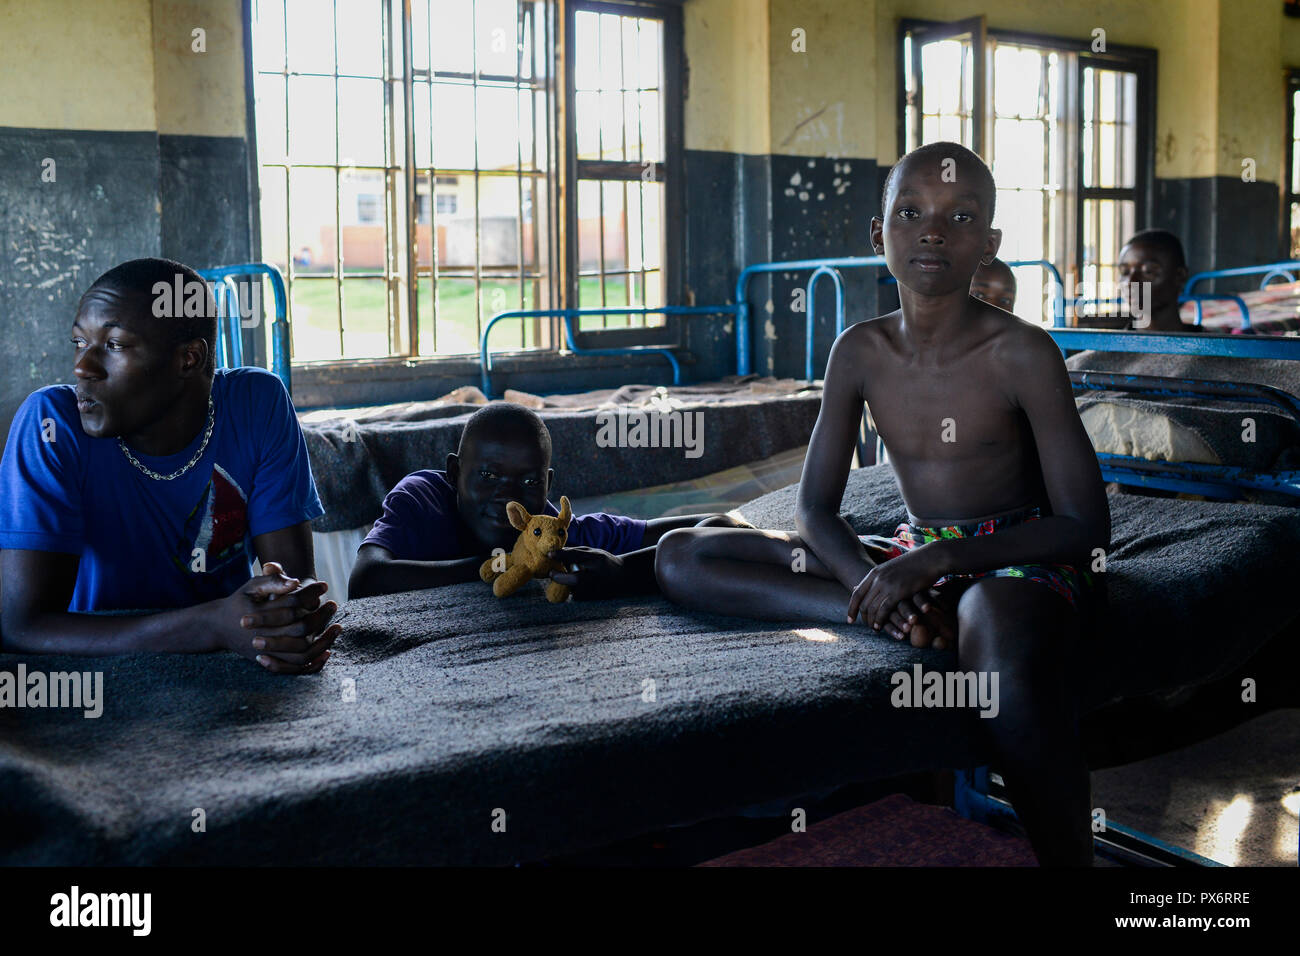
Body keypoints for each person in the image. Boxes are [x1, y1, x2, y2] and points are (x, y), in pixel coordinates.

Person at [655, 142, 1111, 866]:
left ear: (988, 244)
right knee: (687, 552)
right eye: (910, 213)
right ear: (879, 236)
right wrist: (879, 585)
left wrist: (943, 557)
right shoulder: (858, 351)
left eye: (959, 217)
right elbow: (815, 509)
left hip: (1013, 558)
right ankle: (892, 618)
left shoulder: (1024, 353)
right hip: (914, 558)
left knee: (988, 619)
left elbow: (1084, 530)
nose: (933, 231)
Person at [0, 258, 340, 674]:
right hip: (99, 678)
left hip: (225, 679)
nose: (82, 367)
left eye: (114, 345)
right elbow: (20, 626)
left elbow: (292, 583)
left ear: (189, 359)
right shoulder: (52, 424)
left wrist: (288, 619)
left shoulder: (257, 404)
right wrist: (210, 626)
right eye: (79, 342)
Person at [348, 402, 745, 599]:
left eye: (528, 480)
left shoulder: (559, 537)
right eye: (487, 475)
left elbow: (726, 528)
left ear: (547, 486)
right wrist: (498, 568)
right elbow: (365, 582)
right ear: (454, 474)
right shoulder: (425, 497)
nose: (507, 495)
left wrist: (625, 570)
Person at [1083, 229, 1194, 331]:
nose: (1130, 282)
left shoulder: (1206, 348)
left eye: (1148, 272)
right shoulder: (1109, 350)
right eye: (1125, 272)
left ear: (1180, 276)